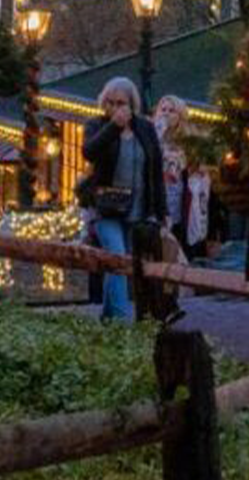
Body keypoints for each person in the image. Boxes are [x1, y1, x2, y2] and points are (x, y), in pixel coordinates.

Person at [82, 76, 168, 321]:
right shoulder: (97, 125)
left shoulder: (145, 128)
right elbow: (89, 152)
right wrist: (113, 127)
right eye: (110, 102)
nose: (115, 108)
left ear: (132, 105)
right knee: (118, 258)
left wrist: (162, 212)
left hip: (137, 208)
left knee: (118, 264)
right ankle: (121, 322)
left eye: (121, 103)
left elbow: (155, 171)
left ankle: (108, 317)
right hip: (105, 208)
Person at [152, 95, 211, 254]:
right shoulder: (151, 136)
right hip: (154, 197)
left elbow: (194, 170)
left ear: (180, 116)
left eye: (172, 111)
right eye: (163, 109)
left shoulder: (187, 142)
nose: (166, 114)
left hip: (177, 199)